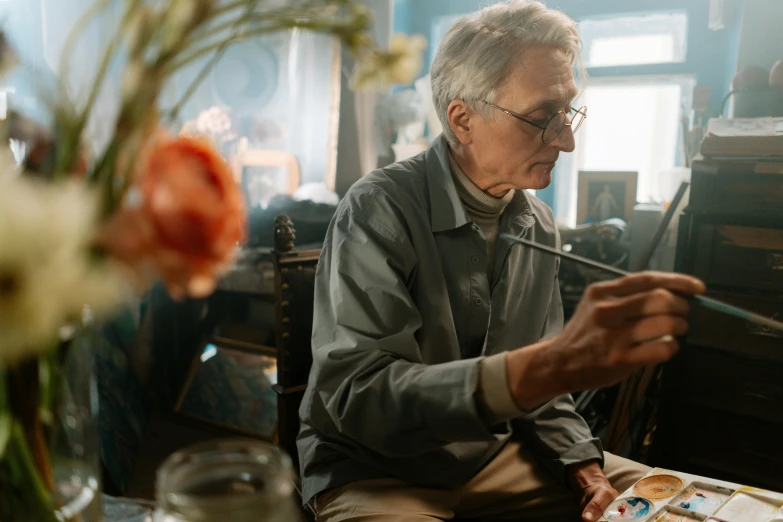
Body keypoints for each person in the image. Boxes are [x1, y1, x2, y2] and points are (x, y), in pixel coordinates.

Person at [297, 2, 705, 521]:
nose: (566, 140)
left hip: (494, 455)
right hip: (378, 470)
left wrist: (583, 468)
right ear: (463, 119)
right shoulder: (379, 207)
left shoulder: (539, 223)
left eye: (567, 113)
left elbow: (545, 393)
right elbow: (360, 399)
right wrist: (537, 369)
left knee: (692, 508)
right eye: (541, 118)